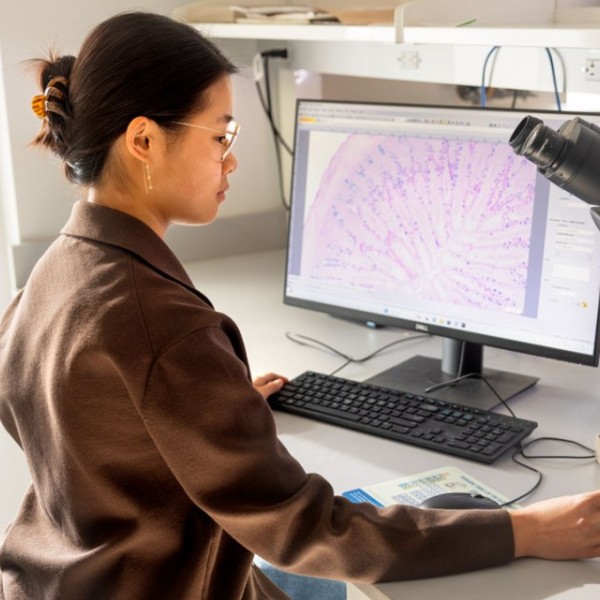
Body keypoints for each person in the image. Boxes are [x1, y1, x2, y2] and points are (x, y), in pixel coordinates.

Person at [1, 11, 600, 600]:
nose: (229, 159)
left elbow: (45, 406)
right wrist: (521, 530)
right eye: (220, 135)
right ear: (143, 141)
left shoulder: (56, 269)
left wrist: (197, 421)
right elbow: (306, 529)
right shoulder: (157, 321)